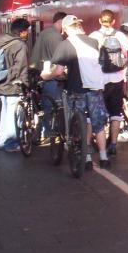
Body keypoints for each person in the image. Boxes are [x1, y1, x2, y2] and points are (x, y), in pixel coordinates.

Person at [42, 15, 110, 169]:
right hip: (95, 89)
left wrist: (46, 75)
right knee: (98, 125)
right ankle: (104, 157)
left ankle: (86, 158)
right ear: (79, 26)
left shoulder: (65, 44)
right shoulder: (93, 42)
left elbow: (58, 71)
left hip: (76, 89)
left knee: (80, 124)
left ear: (65, 30)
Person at [89, 10, 128, 157]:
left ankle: (93, 145)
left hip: (99, 82)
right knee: (115, 113)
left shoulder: (94, 36)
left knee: (96, 113)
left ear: (100, 21)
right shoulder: (120, 35)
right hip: (117, 80)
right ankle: (113, 145)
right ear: (114, 22)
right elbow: (127, 54)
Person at [0, 18, 31, 152]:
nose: (28, 33)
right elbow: (21, 68)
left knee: (5, 113)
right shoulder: (20, 45)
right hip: (13, 85)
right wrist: (25, 86)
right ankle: (11, 143)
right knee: (14, 115)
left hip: (0, 84)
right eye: (27, 31)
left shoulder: (1, 42)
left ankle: (2, 141)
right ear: (22, 31)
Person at [30, 11, 66, 141]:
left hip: (39, 73)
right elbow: (59, 58)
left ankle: (42, 131)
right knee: (50, 105)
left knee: (45, 104)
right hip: (50, 76)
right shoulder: (56, 36)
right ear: (61, 22)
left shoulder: (46, 32)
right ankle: (48, 131)